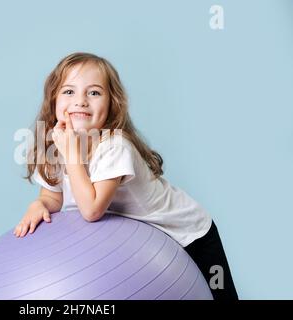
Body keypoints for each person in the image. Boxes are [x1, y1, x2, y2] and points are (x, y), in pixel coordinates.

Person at [13, 52, 238, 300]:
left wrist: (71, 153)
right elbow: (53, 195)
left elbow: (92, 210)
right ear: (53, 100)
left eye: (94, 93)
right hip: (138, 245)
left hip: (189, 235)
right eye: (69, 92)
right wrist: (40, 203)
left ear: (113, 104)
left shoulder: (115, 147)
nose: (81, 101)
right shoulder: (57, 142)